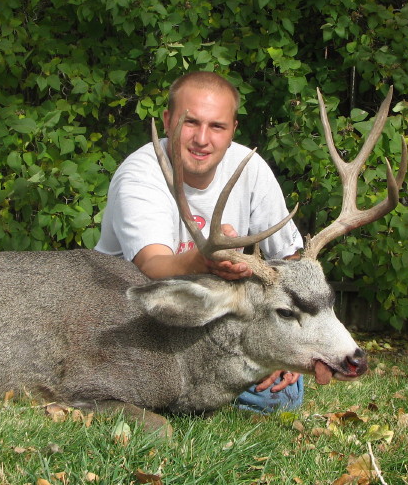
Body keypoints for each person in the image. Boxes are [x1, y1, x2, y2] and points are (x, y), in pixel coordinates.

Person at [95, 71, 304, 413]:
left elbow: (291, 262)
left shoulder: (250, 169)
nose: (202, 139)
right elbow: (152, 265)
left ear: (233, 129)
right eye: (190, 122)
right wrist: (204, 260)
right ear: (167, 121)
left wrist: (285, 344)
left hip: (211, 316)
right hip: (136, 314)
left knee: (280, 396)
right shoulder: (141, 173)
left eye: (217, 126)